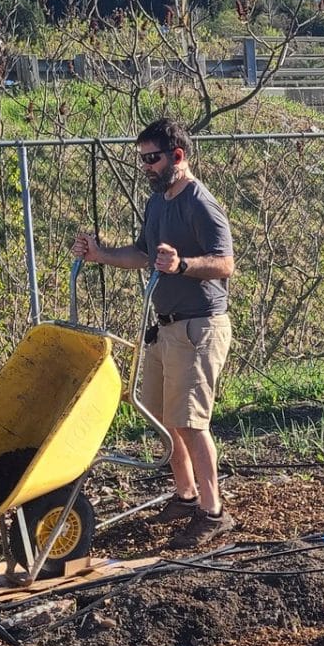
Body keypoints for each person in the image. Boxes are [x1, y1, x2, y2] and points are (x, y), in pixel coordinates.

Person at [72, 117, 237, 548]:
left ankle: (213, 512)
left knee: (192, 423)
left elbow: (225, 264)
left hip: (199, 326)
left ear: (177, 156)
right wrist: (100, 254)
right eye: (142, 159)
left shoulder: (201, 203)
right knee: (164, 419)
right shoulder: (157, 203)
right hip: (165, 328)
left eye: (153, 159)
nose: (145, 167)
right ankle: (185, 496)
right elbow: (143, 254)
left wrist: (183, 265)